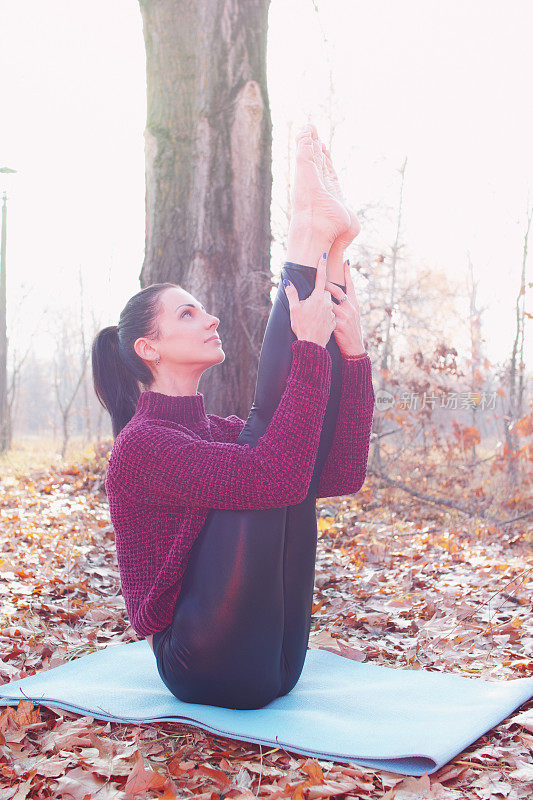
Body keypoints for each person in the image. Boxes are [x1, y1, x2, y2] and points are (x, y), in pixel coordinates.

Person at [91, 123, 375, 710]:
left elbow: (336, 474)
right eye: (188, 314)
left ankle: (329, 249)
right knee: (269, 459)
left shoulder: (211, 433)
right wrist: (303, 351)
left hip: (274, 658)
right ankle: (306, 236)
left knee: (280, 461)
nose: (210, 319)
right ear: (149, 347)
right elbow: (274, 474)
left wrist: (353, 356)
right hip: (202, 662)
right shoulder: (141, 446)